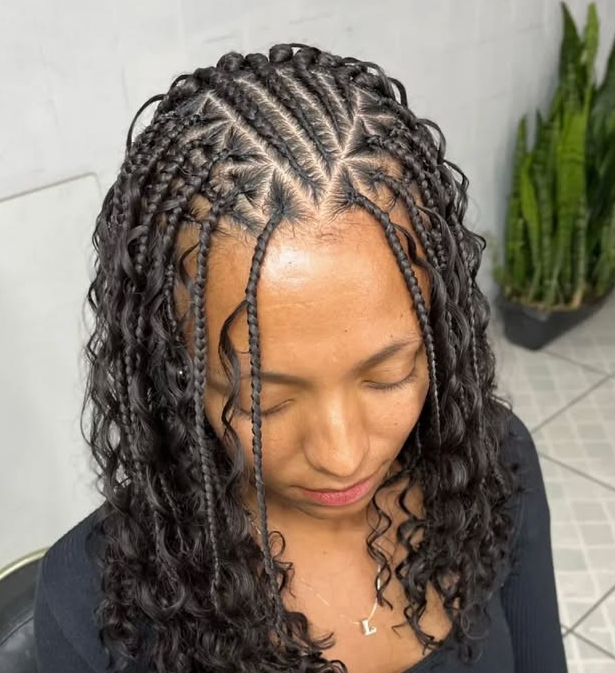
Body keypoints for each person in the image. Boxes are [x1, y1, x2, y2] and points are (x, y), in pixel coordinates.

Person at [33, 43, 567, 673]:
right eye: (266, 399)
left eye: (389, 375)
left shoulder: (494, 467)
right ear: (176, 367)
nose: (342, 456)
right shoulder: (96, 605)